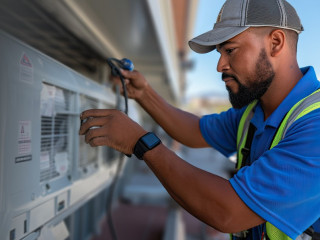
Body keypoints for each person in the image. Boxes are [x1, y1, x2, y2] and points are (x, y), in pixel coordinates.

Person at [79, 0, 320, 239]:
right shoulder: (254, 112)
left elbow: (229, 211)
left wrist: (141, 143)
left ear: (275, 43)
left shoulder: (315, 125)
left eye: (230, 50)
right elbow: (195, 131)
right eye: (220, 53)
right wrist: (143, 94)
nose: (220, 65)